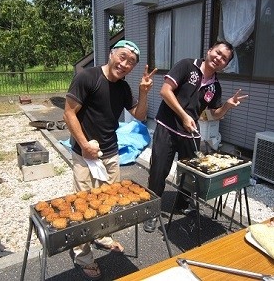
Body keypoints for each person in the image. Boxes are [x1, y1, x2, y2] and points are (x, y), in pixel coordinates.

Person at [63, 39, 157, 280]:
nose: (125, 64)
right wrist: (84, 145)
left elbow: (139, 115)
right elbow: (69, 112)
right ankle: (83, 255)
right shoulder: (88, 77)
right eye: (122, 57)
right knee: (83, 205)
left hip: (110, 153)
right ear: (111, 54)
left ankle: (102, 236)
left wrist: (144, 93)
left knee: (109, 201)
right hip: (84, 154)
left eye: (131, 62)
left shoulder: (123, 88)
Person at [143, 40, 248, 233]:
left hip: (190, 132)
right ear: (209, 51)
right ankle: (151, 211)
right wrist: (183, 116)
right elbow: (165, 91)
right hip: (167, 126)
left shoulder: (215, 87)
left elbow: (213, 114)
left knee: (190, 173)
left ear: (225, 65)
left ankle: (183, 203)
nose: (219, 58)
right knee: (158, 171)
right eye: (217, 53)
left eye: (224, 59)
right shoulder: (186, 66)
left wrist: (227, 105)